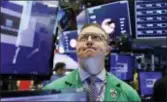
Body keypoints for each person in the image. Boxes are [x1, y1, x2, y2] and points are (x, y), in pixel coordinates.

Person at [44, 23, 141, 101]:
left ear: (107, 49)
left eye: (96, 38)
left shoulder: (129, 95)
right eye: (83, 38)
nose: (89, 41)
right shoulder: (50, 92)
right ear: (76, 47)